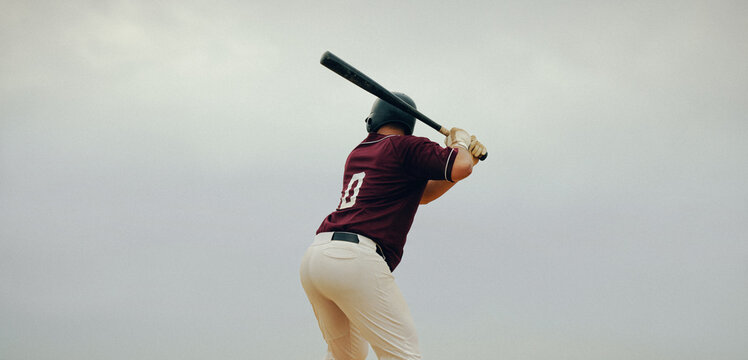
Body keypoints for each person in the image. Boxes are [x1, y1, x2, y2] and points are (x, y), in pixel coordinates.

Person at [299, 93, 486, 360]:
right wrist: (460, 142)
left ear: (373, 120)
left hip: (317, 259)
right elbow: (461, 165)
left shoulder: (361, 151)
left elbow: (423, 194)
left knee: (345, 357)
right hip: (355, 260)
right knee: (403, 355)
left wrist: (465, 157)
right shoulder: (406, 146)